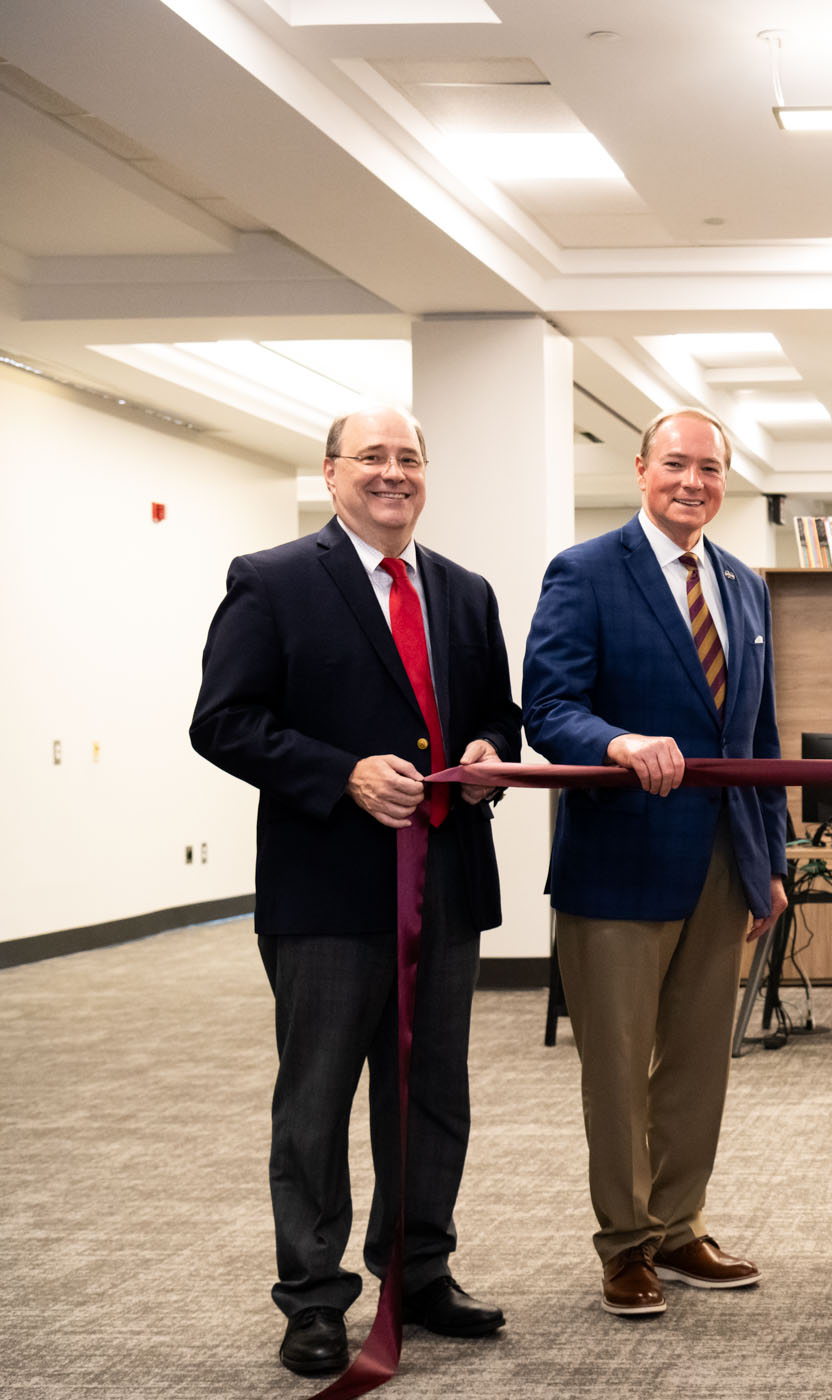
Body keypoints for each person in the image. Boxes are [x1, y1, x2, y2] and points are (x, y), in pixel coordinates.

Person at [191, 405, 520, 1375]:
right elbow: (224, 720)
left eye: (408, 457)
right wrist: (339, 771)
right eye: (371, 457)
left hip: (446, 884)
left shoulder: (464, 592)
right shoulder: (275, 580)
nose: (392, 472)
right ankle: (314, 1295)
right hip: (329, 890)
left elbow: (496, 712)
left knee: (432, 1096)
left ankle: (417, 1269)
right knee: (318, 1097)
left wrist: (491, 751)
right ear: (332, 474)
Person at [522, 406, 789, 1317]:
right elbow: (548, 707)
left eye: (710, 469)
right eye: (677, 464)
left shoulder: (746, 587)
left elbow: (757, 737)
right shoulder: (586, 572)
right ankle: (624, 1243)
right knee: (618, 1063)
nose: (694, 482)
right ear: (641, 469)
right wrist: (621, 740)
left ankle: (679, 1228)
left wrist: (772, 860)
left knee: (698, 1063)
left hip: (722, 859)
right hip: (620, 860)